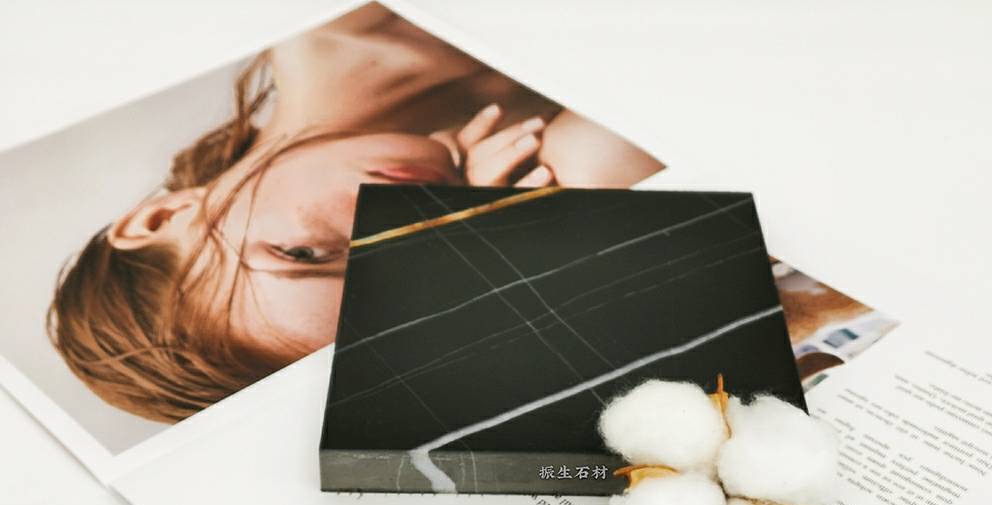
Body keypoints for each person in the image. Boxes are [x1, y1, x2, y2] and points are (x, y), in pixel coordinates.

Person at [48, 2, 662, 424]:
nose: (399, 224)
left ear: (162, 216)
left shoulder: (338, 17)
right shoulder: (550, 177)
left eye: (303, 253)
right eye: (396, 282)